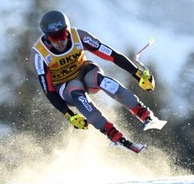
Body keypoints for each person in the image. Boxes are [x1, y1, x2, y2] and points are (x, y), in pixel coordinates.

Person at [30, 10, 164, 153]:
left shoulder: (79, 37)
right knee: (75, 89)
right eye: (54, 38)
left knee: (98, 79)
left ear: (68, 31)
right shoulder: (39, 54)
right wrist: (69, 115)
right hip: (64, 87)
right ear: (46, 37)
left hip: (85, 73)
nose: (60, 41)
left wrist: (138, 74)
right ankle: (112, 133)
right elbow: (48, 90)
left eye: (63, 35)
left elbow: (111, 55)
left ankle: (144, 113)